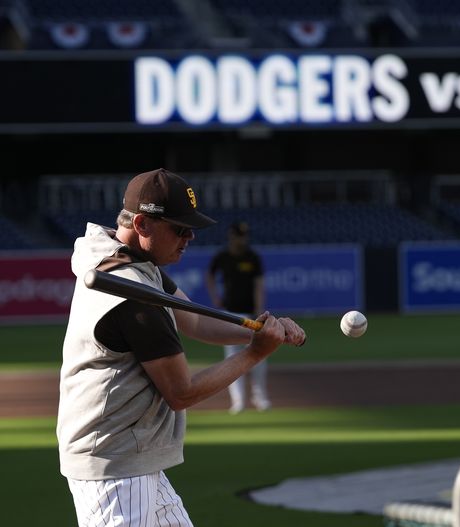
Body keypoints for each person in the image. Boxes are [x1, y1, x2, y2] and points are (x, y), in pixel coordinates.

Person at [56, 168, 305, 527]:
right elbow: (181, 392)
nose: (189, 237)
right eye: (179, 228)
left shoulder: (134, 263)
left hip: (133, 456)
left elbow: (198, 323)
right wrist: (255, 353)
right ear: (142, 224)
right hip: (115, 465)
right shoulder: (131, 294)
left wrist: (261, 333)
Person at [206, 220, 270, 414]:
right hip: (230, 313)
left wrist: (259, 310)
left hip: (251, 314)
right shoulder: (222, 257)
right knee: (232, 358)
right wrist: (215, 297)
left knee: (259, 355)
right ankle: (239, 401)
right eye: (240, 235)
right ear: (232, 236)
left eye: (245, 235)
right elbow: (209, 275)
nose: (243, 239)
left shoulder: (252, 257)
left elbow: (259, 284)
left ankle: (260, 398)